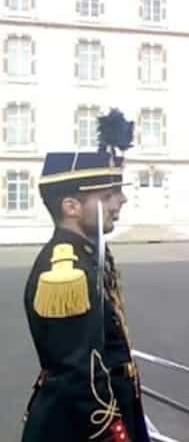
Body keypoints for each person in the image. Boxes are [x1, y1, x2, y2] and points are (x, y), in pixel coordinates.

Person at [22, 134, 152, 442]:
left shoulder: (89, 253)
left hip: (108, 407)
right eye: (108, 195)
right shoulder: (65, 271)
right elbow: (79, 375)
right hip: (82, 425)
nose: (121, 201)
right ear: (71, 206)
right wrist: (112, 433)